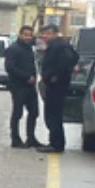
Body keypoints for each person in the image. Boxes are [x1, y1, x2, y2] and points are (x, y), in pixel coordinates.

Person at [37, 24, 78, 154]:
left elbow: (70, 59)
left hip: (56, 86)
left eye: (48, 33)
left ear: (55, 33)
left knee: (53, 115)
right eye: (43, 34)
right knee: (52, 115)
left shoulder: (60, 46)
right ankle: (55, 142)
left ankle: (56, 144)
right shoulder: (56, 45)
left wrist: (56, 76)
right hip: (53, 85)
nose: (45, 36)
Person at [5, 26, 42, 149]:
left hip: (30, 86)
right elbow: (10, 67)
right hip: (18, 85)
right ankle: (15, 139)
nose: (28, 37)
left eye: (30, 35)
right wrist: (26, 77)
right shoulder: (14, 49)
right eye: (25, 35)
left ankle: (31, 138)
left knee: (34, 112)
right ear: (20, 35)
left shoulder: (29, 49)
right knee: (17, 113)